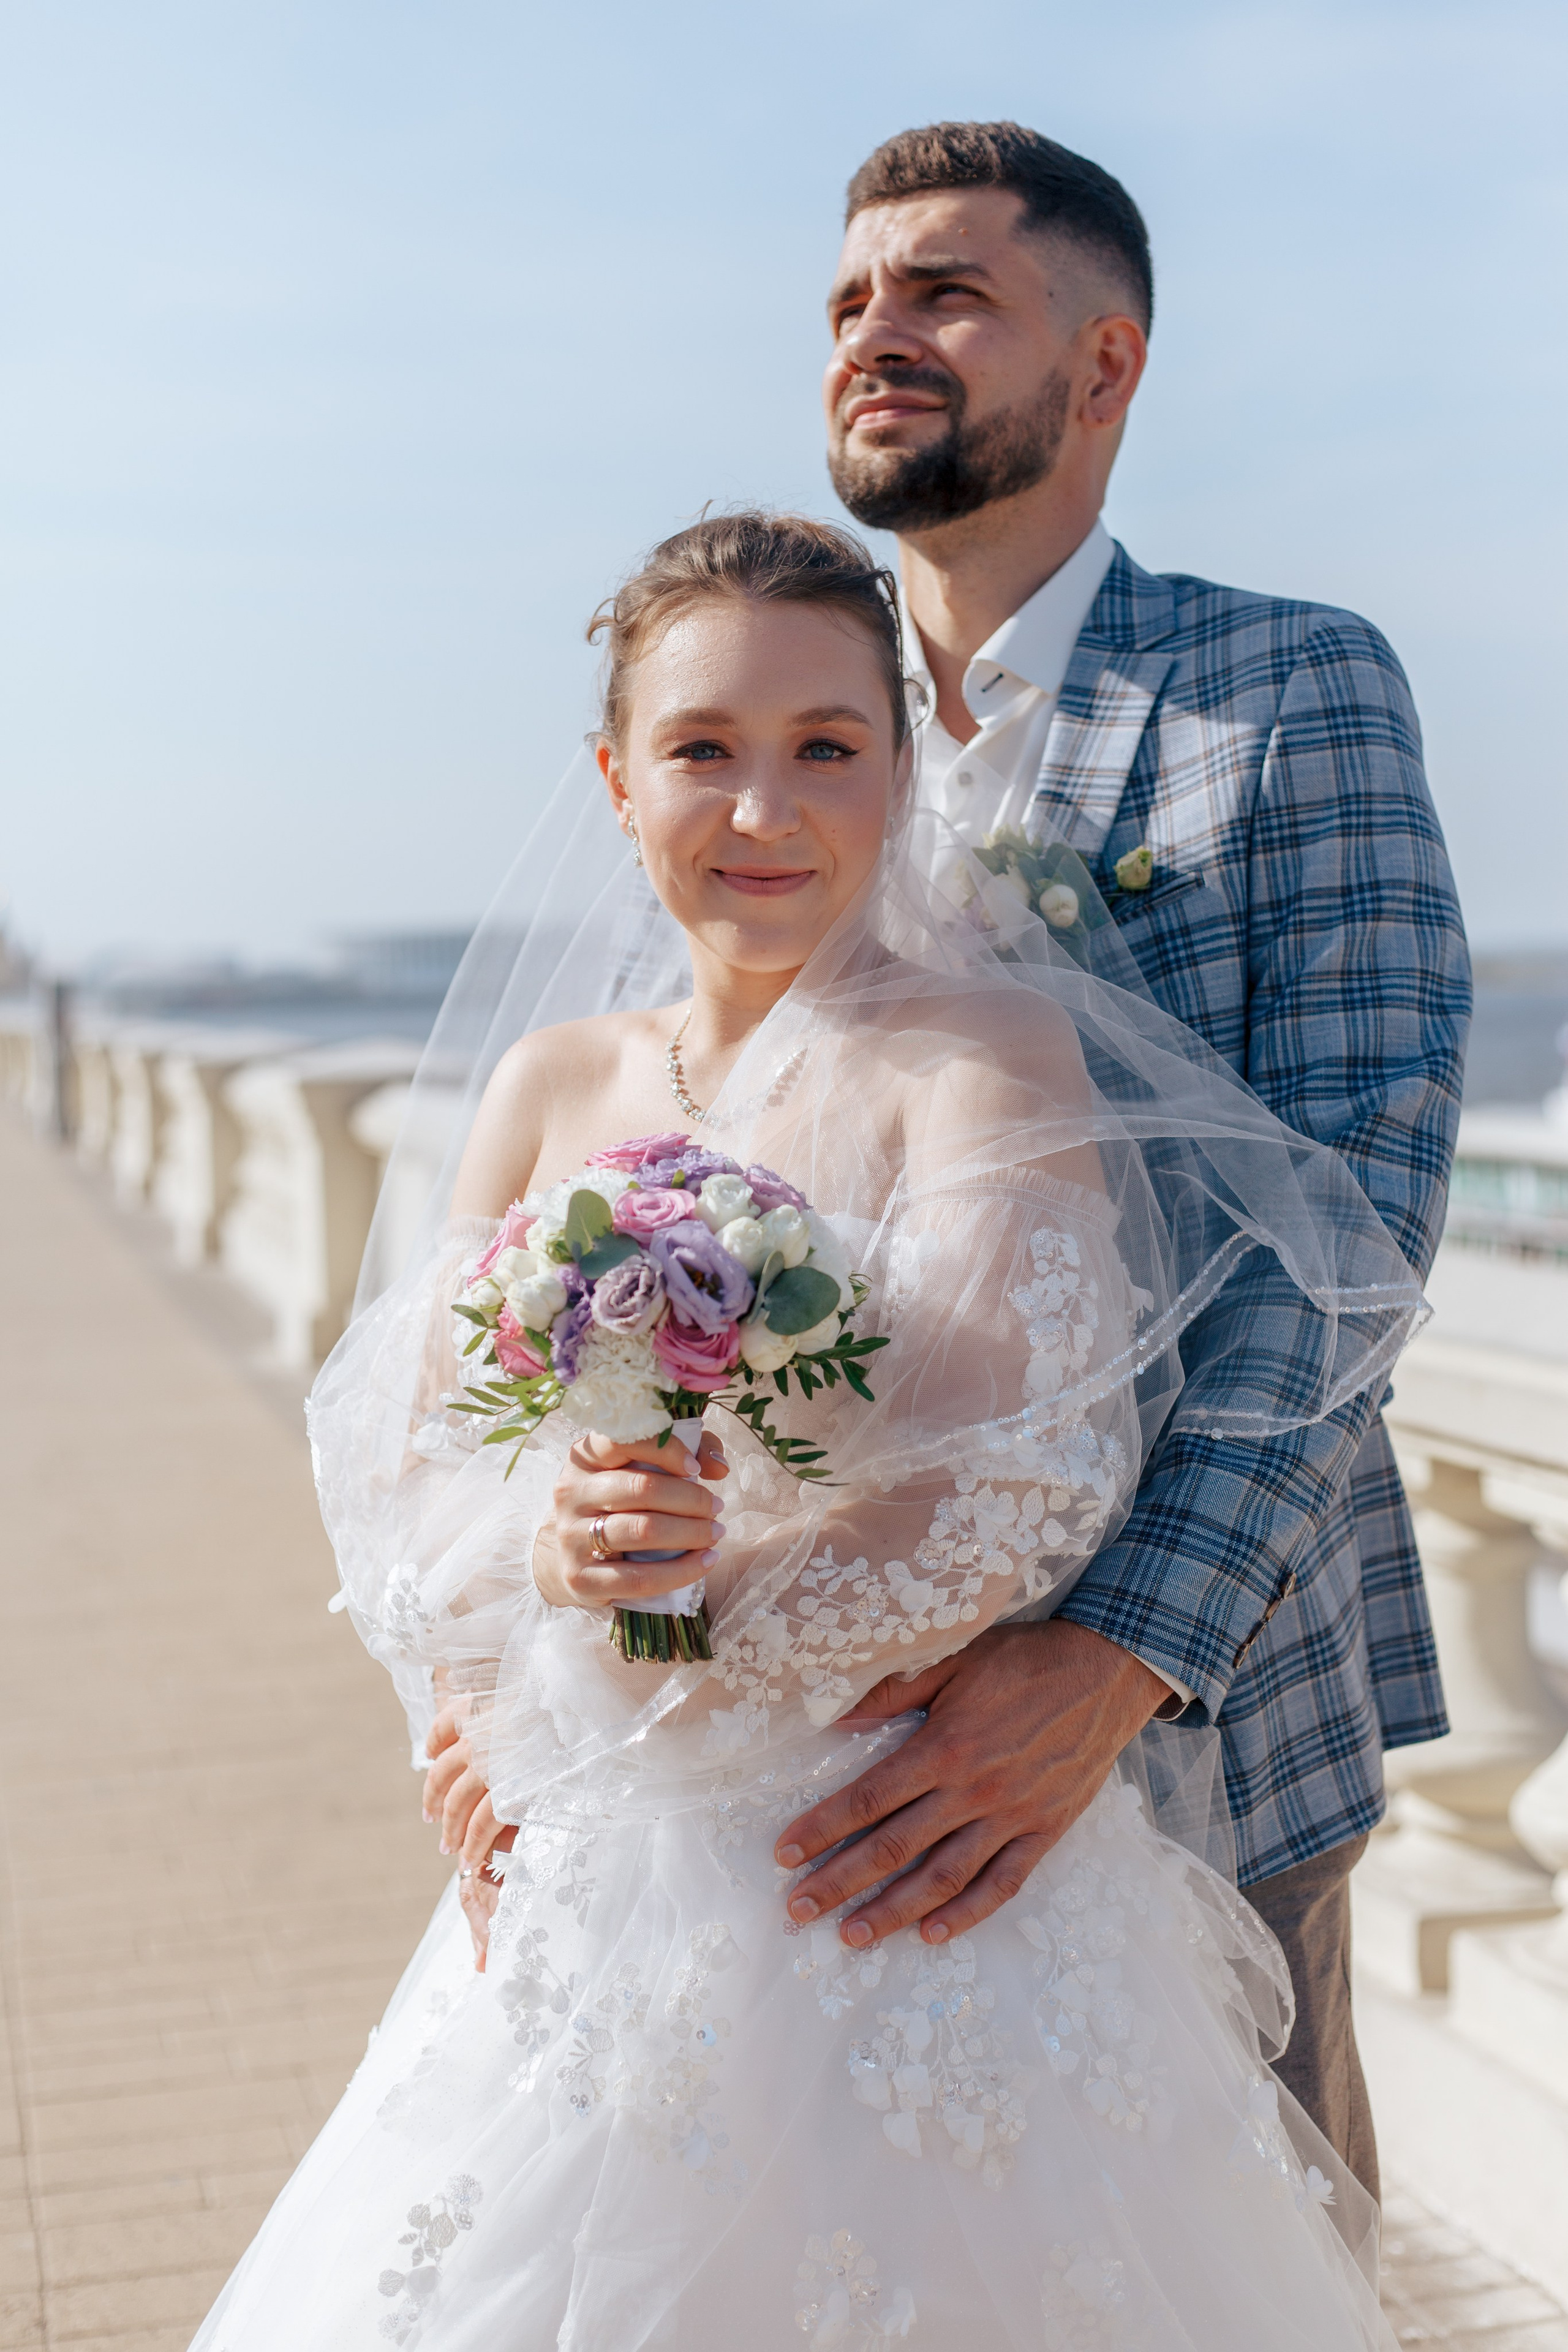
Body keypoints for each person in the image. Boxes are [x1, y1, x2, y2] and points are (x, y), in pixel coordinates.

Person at [192, 511, 1427, 2348]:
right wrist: (531, 1602)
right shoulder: (553, 1085)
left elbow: (1021, 1492)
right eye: (703, 750)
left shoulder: (985, 1053)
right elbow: (419, 1458)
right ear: (616, 782)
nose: (761, 808)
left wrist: (644, 1643)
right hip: (594, 1899)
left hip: (901, 1861)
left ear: (902, 772)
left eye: (824, 749)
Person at [520, 122, 1472, 2204]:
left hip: (1193, 1705)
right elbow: (655, 1159)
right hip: (756, 1721)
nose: (882, 333)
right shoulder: (788, 704)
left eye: (948, 292)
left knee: (1234, 2259)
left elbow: (1363, 1225)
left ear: (1107, 365)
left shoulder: (1288, 694)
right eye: (853, 300)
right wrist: (513, 1672)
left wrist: (1111, 1657)